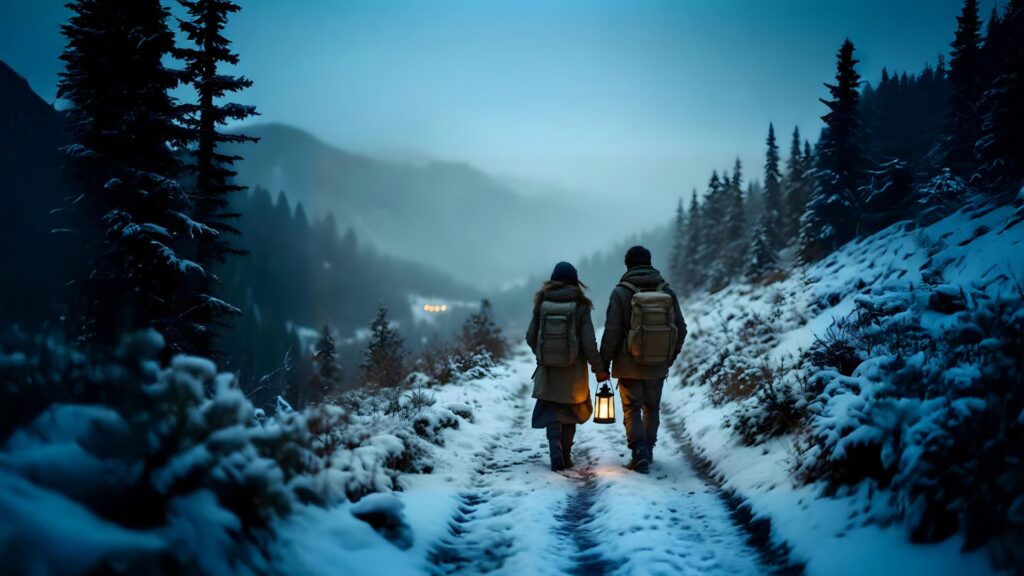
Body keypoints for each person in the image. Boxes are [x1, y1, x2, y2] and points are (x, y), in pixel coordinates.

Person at [600, 245, 686, 474]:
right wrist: (669, 357)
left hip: (628, 365)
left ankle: (639, 454)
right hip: (657, 364)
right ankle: (648, 449)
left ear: (628, 265)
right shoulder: (666, 290)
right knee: (652, 409)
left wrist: (603, 363)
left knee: (632, 410)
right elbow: (682, 328)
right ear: (650, 262)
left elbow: (612, 331)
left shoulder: (620, 292)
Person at [526, 261, 607, 471]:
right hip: (574, 374)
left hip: (548, 370)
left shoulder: (542, 303)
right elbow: (589, 343)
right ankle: (565, 454)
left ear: (552, 280)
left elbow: (530, 336)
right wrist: (599, 369)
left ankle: (554, 444)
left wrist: (542, 355)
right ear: (574, 280)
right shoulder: (580, 305)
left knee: (552, 411)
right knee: (570, 413)